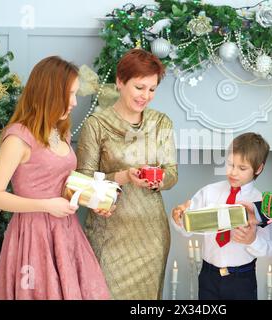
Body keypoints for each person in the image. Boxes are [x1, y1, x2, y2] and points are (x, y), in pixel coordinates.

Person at [0, 56, 111, 300]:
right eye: (70, 94)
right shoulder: (18, 138)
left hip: (65, 231)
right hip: (34, 236)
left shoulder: (58, 131)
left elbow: (60, 181)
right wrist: (46, 205)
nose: (75, 102)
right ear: (50, 93)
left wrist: (96, 199)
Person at [76, 48, 178, 299]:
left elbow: (172, 174)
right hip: (108, 235)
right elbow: (82, 185)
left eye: (152, 89)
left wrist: (156, 178)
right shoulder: (96, 125)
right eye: (139, 87)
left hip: (152, 234)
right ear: (120, 82)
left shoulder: (161, 122)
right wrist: (123, 177)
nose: (146, 96)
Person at [172, 133, 272, 300]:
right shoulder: (209, 192)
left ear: (258, 168)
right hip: (208, 276)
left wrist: (251, 240)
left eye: (242, 168)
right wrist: (179, 218)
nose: (233, 172)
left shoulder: (262, 203)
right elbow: (188, 229)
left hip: (242, 280)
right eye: (230, 164)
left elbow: (268, 249)